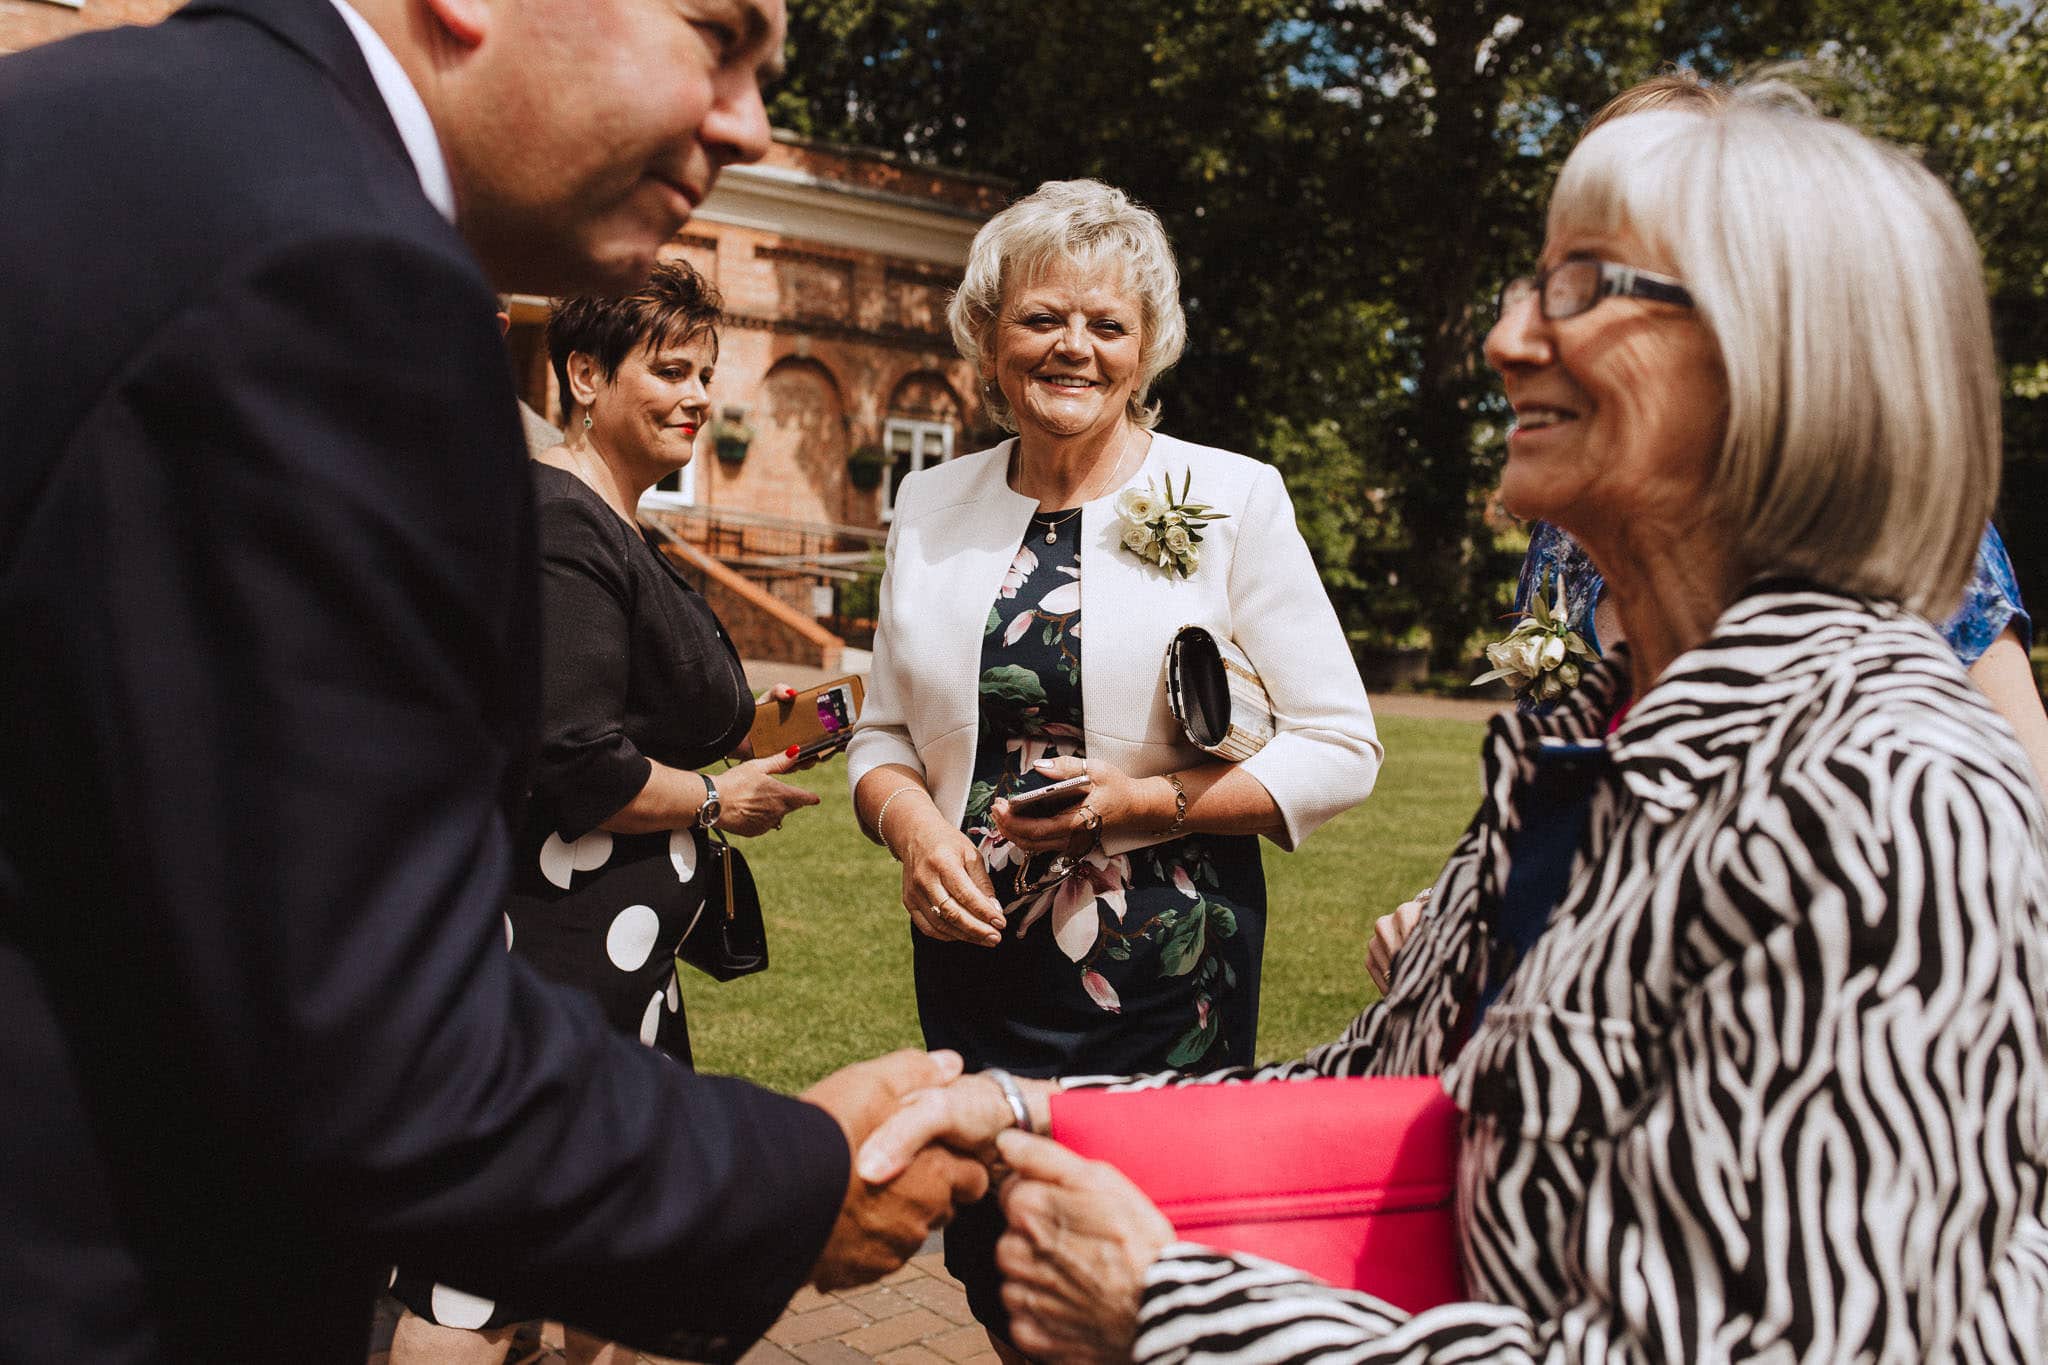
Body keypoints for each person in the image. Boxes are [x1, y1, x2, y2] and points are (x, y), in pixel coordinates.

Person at [862, 83, 2048, 1362]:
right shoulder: (1601, 743)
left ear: (1784, 359)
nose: (1503, 339)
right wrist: (1016, 1113)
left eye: (1583, 287)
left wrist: (1173, 1309)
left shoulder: (1888, 793)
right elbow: (1382, 1082)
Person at [0, 2, 985, 1361]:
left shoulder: (117, 128)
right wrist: (799, 1181)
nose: (751, 119)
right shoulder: (332, 261)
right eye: (717, 34)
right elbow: (359, 1028)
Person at [846, 178, 1382, 1341]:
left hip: (1164, 966)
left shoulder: (1227, 497)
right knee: (996, 1259)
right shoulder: (931, 501)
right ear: (989, 337)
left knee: (1134, 1269)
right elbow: (882, 729)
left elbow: (1341, 745)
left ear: (1145, 348)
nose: (1072, 348)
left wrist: (1143, 801)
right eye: (1041, 318)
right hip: (977, 954)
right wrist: (910, 825)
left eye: (1105, 323)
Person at [389, 262, 822, 1360]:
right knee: (481, 1263)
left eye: (704, 376)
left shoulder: (622, 528)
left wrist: (755, 726)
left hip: (621, 969)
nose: (693, 397)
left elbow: (634, 707)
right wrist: (722, 795)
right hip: (551, 960)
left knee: (600, 1241)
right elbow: (572, 758)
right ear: (582, 375)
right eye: (668, 370)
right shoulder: (559, 521)